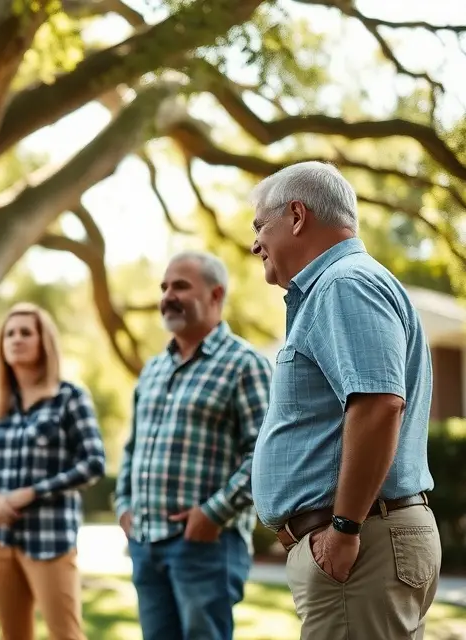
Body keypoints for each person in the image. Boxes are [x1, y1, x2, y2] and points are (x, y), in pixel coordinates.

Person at [248, 161, 441, 639]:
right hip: (361, 546)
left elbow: (378, 405)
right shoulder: (342, 285)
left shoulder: (343, 284)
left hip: (359, 547)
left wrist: (344, 529)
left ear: (296, 215)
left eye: (259, 226)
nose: (255, 244)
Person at [112, 250, 272, 640]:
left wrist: (212, 514)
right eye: (164, 287)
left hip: (206, 547)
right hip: (145, 545)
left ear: (216, 295)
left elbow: (267, 455)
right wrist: (123, 506)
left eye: (180, 286)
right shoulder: (153, 368)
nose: (167, 295)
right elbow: (132, 447)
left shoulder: (245, 364)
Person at [0, 302, 107, 640]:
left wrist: (32, 492)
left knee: (66, 635)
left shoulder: (69, 397)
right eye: (9, 333)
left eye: (26, 332)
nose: (16, 338)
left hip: (50, 540)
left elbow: (93, 463)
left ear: (44, 341)